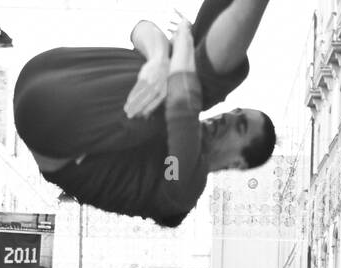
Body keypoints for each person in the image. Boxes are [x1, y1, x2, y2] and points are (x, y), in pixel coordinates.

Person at [14, 1, 276, 228]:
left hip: (53, 127)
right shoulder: (163, 118)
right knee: (176, 74)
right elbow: (140, 29)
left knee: (195, 85)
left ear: (238, 164)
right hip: (51, 72)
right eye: (234, 113)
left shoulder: (183, 187)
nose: (226, 118)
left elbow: (182, 110)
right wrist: (159, 59)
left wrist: (184, 37)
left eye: (239, 126)